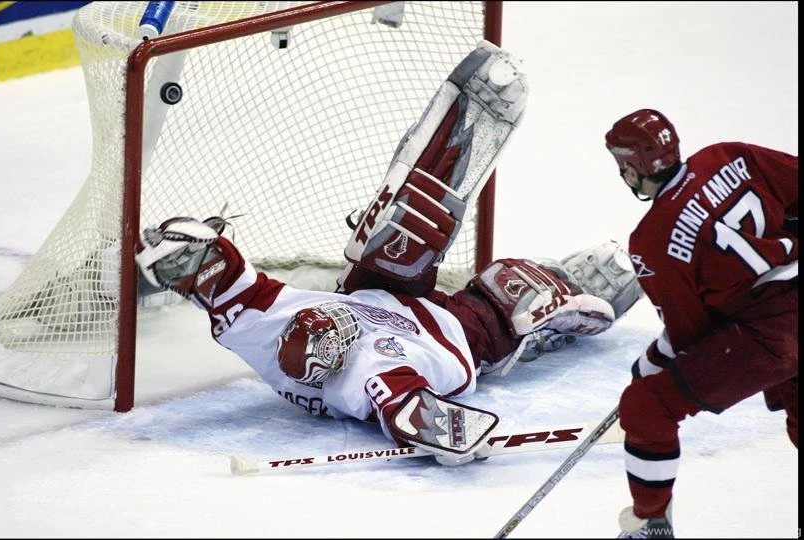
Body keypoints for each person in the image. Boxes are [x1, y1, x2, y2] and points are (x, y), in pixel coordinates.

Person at [134, 42, 643, 467]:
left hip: (379, 294)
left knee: (396, 233)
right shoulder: (365, 377)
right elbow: (407, 411)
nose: (335, 322)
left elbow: (227, 283)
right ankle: (564, 306)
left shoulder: (265, 329)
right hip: (451, 336)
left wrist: (184, 251)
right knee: (512, 288)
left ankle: (451, 142)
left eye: (325, 320)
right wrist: (450, 437)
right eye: (338, 332)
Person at [604, 109, 798, 538]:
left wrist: (652, 364)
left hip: (771, 335)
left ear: (634, 168)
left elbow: (693, 334)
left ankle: (648, 524)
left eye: (622, 165)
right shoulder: (728, 155)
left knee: (647, 406)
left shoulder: (652, 241)